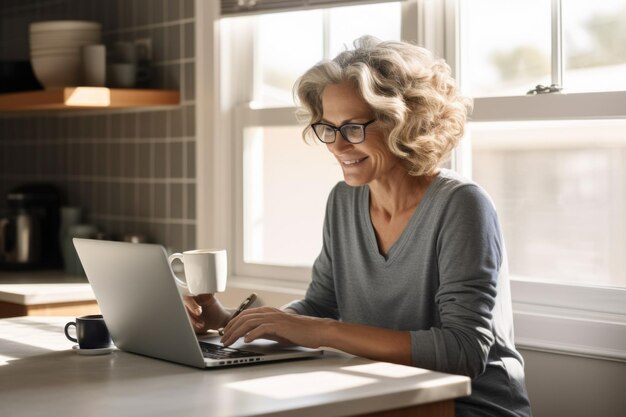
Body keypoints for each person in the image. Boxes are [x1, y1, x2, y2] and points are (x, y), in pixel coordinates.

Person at [184, 36, 532, 417]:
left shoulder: (461, 205)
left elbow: (462, 351)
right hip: (377, 393)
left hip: (467, 407)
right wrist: (228, 320)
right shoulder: (345, 199)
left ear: (405, 123)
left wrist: (322, 331)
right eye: (328, 128)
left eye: (352, 127)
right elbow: (320, 306)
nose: (337, 145)